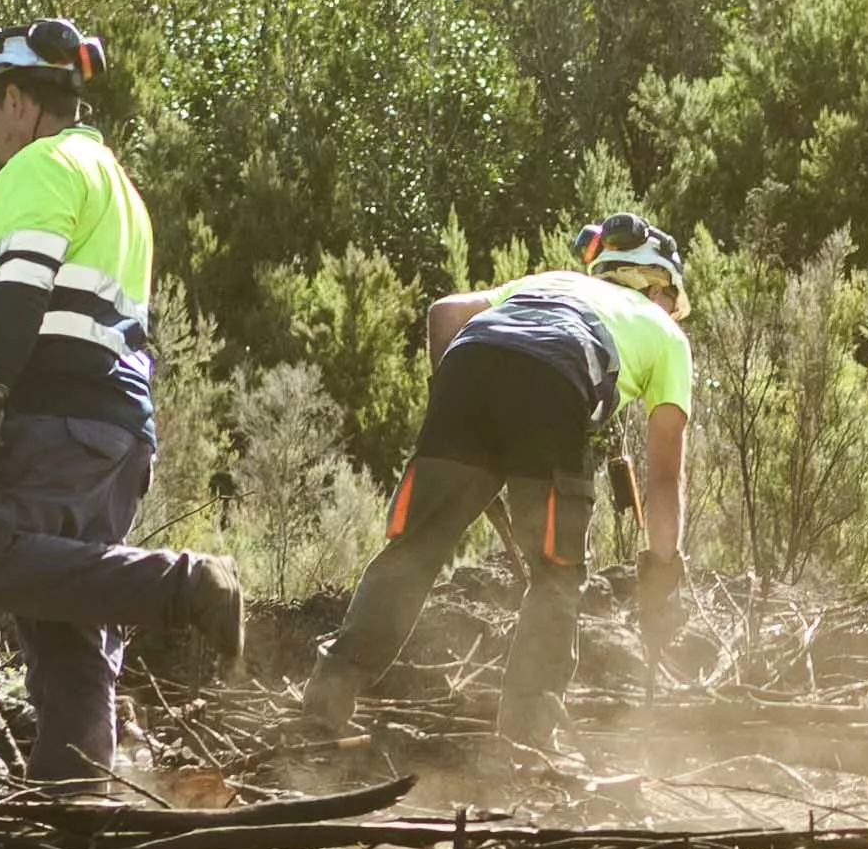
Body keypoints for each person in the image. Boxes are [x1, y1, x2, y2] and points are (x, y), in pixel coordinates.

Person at [0, 18, 239, 787]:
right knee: (69, 630)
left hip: (52, 417)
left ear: (14, 99)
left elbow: (26, 283)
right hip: (114, 430)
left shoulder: (41, 164)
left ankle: (185, 583)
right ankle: (71, 803)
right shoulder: (117, 184)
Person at [299, 214, 698, 747]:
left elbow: (445, 313)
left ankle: (325, 704)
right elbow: (665, 479)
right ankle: (527, 745)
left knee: (411, 553)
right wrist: (662, 567)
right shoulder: (666, 332)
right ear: (655, 286)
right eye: (673, 301)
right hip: (556, 380)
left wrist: (461, 424)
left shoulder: (547, 282)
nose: (674, 314)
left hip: (468, 367)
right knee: (555, 576)